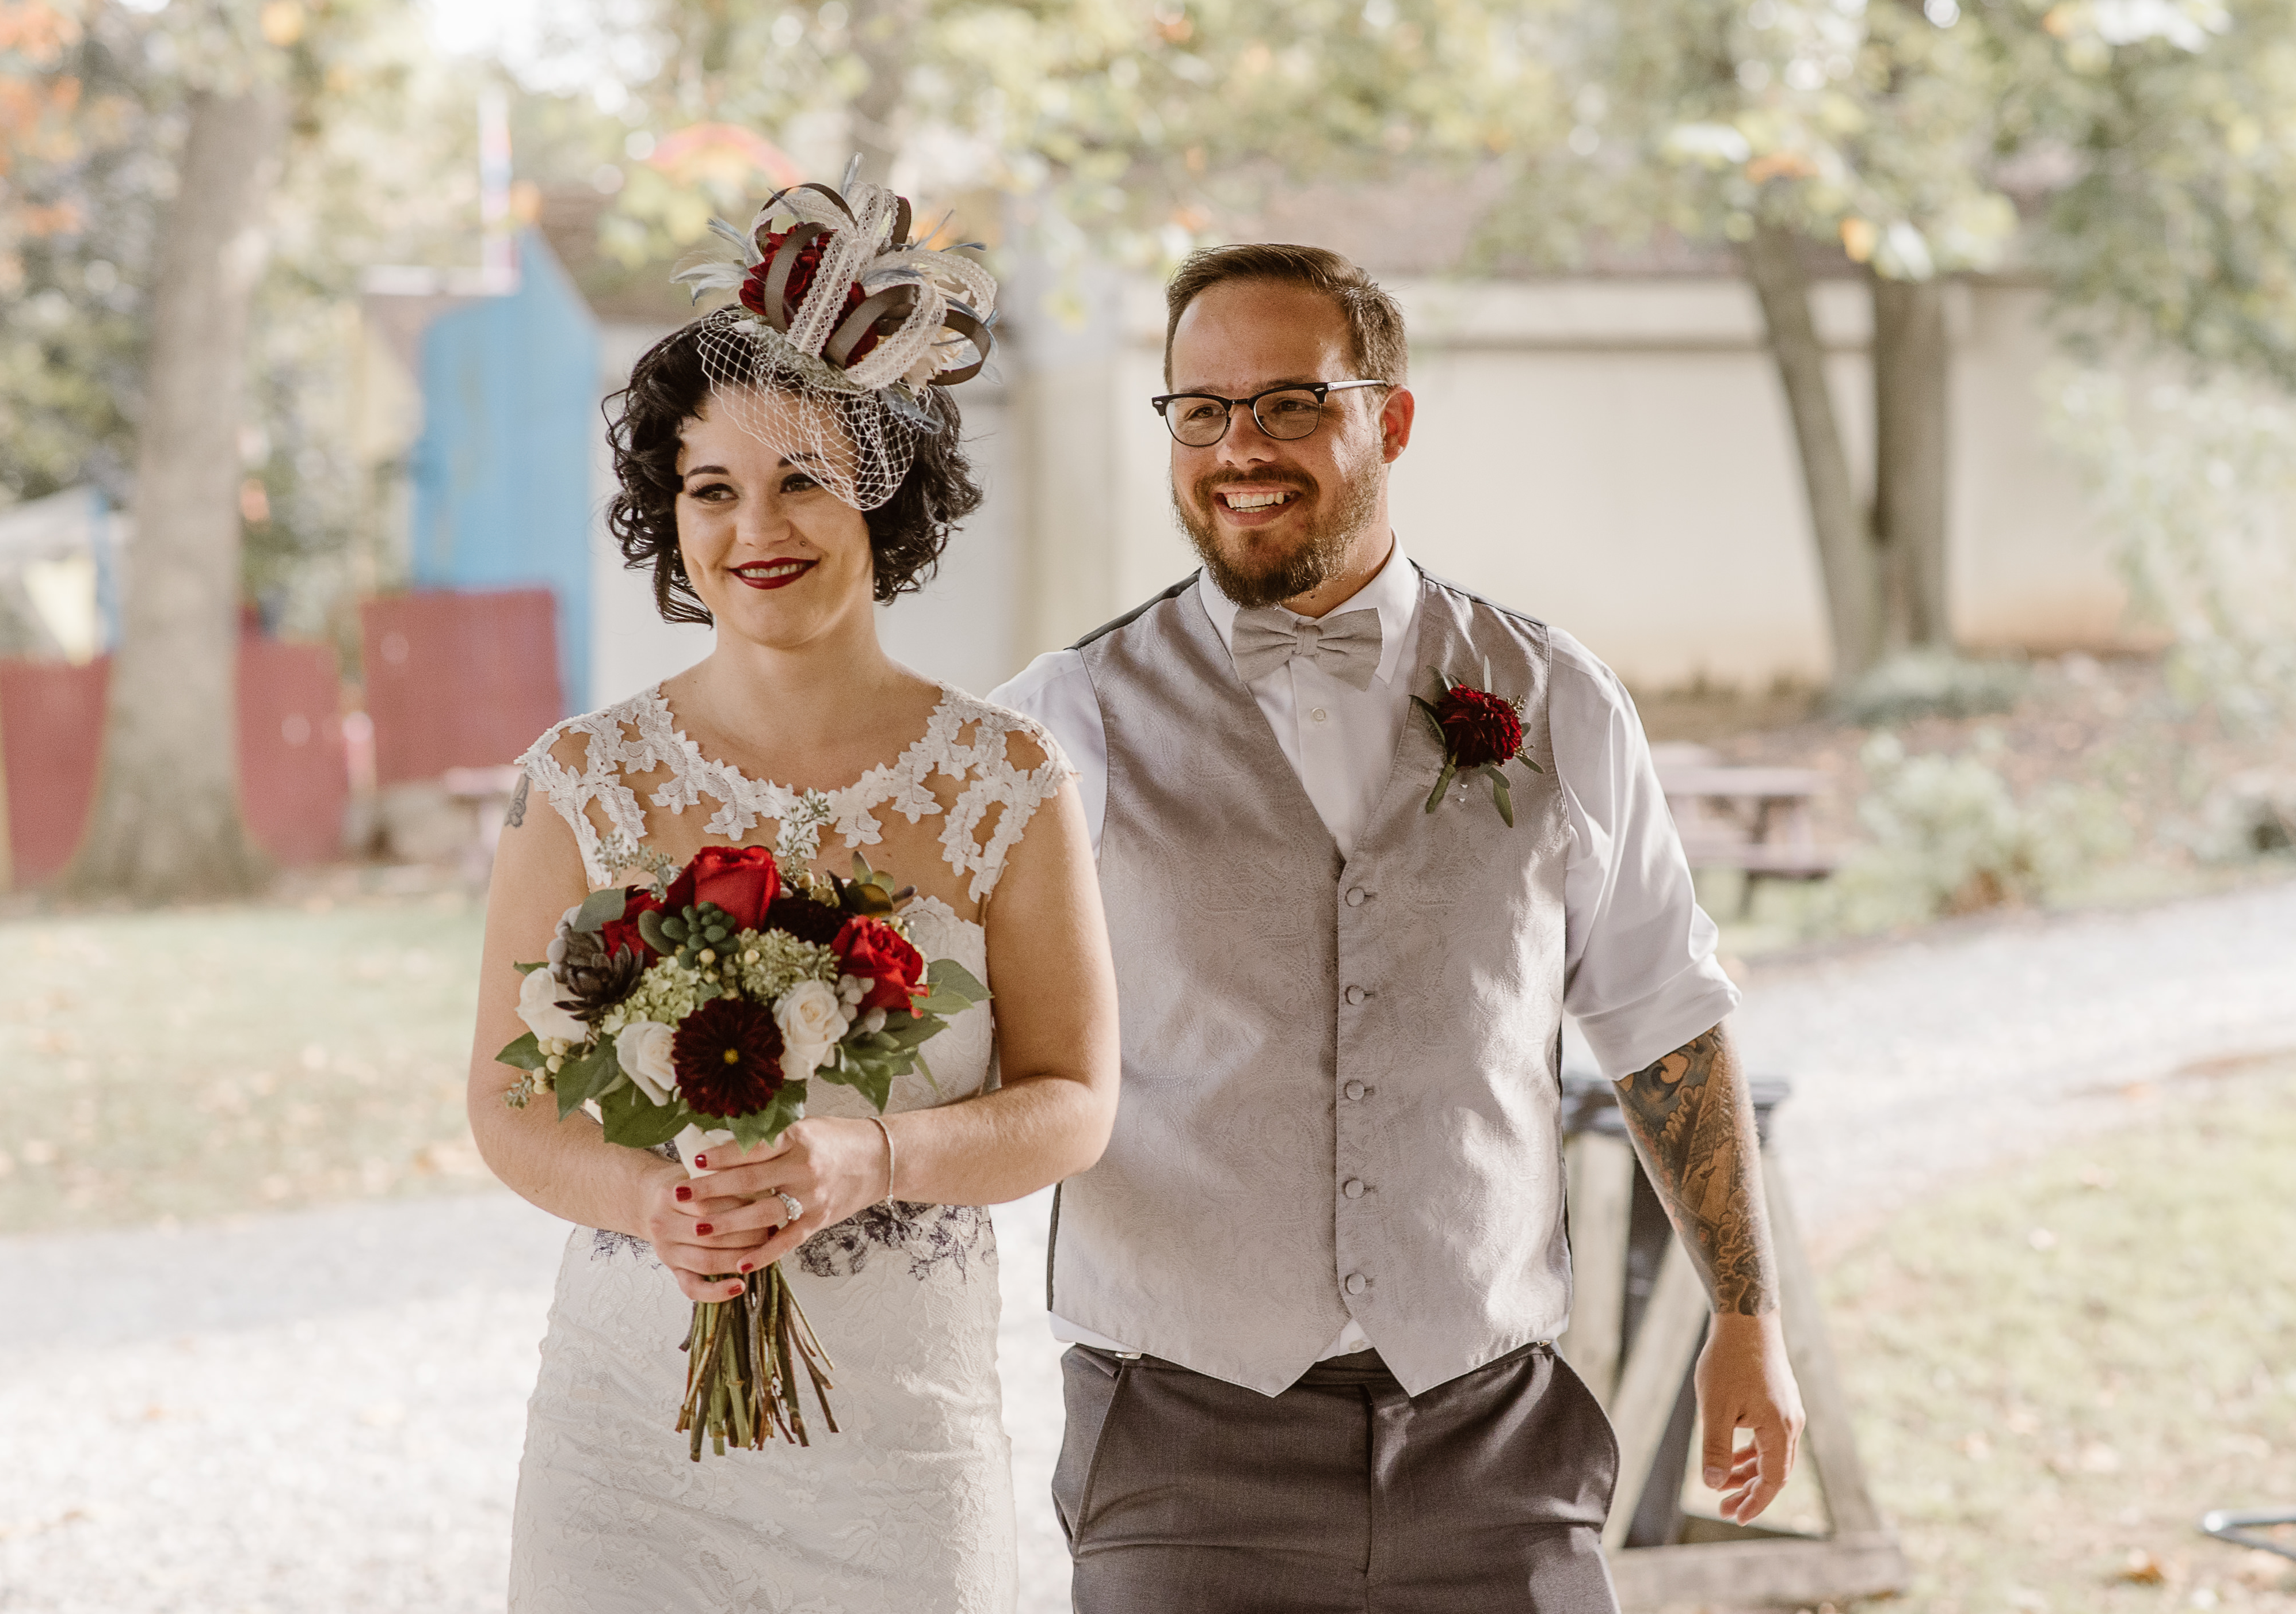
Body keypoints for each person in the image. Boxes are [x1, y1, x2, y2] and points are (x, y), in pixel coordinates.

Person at [990, 242, 1806, 1612]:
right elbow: (954, 1032)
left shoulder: (1560, 697)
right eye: (1202, 409)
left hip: (1494, 1439)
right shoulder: (1060, 721)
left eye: (1290, 403)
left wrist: (1747, 1317)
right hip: (1182, 1445)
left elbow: (1663, 1017)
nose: (1239, 447)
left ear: (1394, 418)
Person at [467, 175, 1119, 1613]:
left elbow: (1075, 1101)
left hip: (902, 1456)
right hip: (624, 1453)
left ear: (889, 494)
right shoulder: (579, 783)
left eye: (804, 479)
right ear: (672, 514)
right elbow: (508, 1102)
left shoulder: (1008, 782)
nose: (756, 525)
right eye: (713, 488)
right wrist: (651, 1200)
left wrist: (870, 1159)